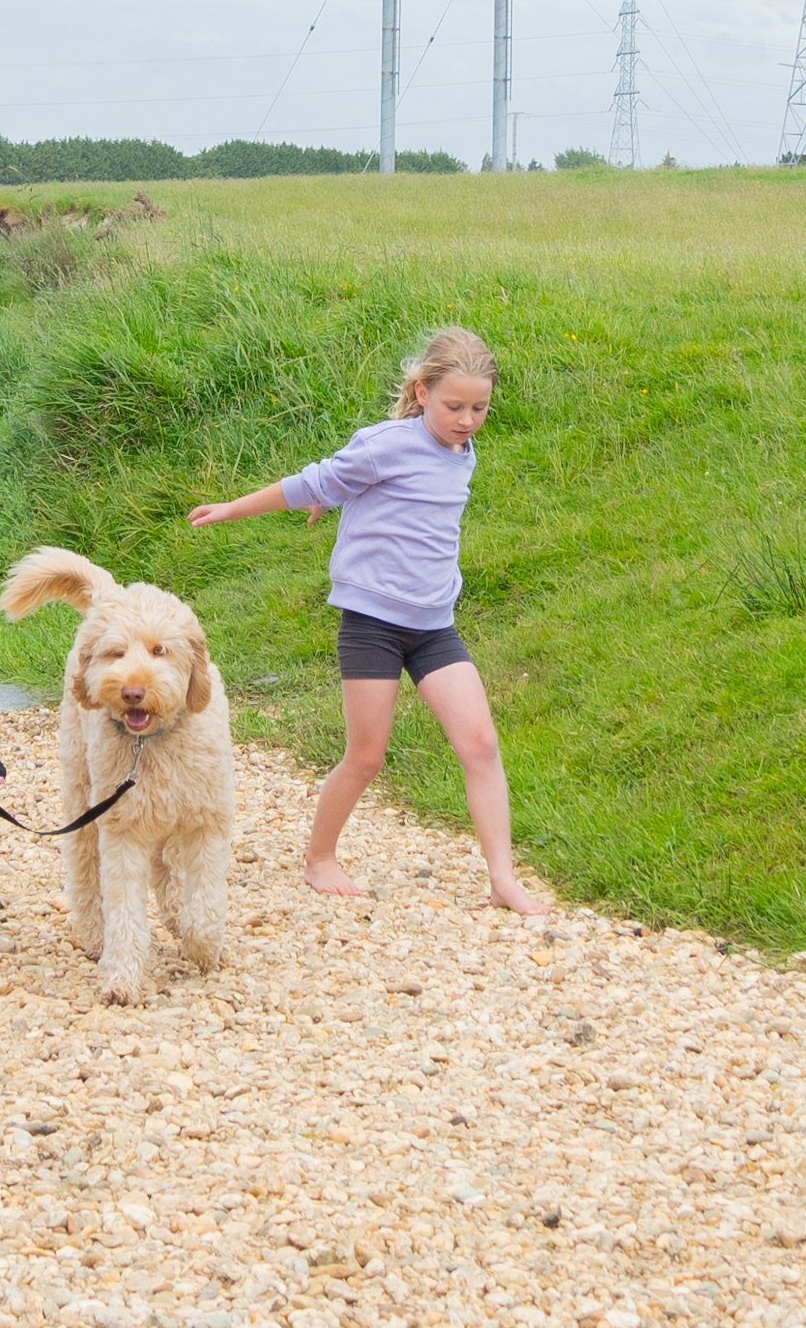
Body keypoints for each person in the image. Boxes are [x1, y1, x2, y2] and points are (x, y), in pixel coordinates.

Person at [189, 322, 551, 914]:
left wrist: (342, 499)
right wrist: (235, 508)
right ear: (421, 391)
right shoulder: (386, 441)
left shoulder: (463, 450)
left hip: (435, 624)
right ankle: (319, 859)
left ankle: (503, 878)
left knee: (481, 744)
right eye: (453, 406)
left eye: (479, 408)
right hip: (372, 622)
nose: (466, 419)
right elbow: (317, 480)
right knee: (367, 754)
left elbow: (379, 496)